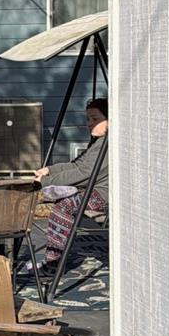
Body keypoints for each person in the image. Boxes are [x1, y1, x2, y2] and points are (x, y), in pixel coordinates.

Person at [32, 98, 108, 272]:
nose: (90, 124)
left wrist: (45, 182)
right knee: (62, 199)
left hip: (103, 195)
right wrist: (49, 171)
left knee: (65, 205)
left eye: (95, 119)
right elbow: (76, 165)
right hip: (92, 190)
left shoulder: (108, 144)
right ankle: (54, 255)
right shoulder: (98, 142)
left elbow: (84, 174)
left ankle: (54, 262)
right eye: (88, 119)